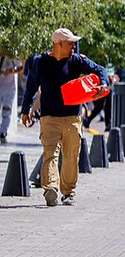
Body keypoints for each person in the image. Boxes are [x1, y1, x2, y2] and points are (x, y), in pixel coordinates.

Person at [20, 28, 109, 207]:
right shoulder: (40, 62)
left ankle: (68, 192)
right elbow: (30, 87)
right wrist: (25, 110)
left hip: (72, 117)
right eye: (70, 43)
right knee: (50, 154)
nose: (74, 47)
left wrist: (103, 83)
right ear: (58, 44)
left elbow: (99, 69)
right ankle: (51, 188)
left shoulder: (76, 60)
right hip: (49, 117)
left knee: (70, 157)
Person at [0, 54, 23, 144]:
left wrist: (10, 72)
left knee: (6, 110)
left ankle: (3, 133)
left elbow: (20, 68)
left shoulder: (12, 55)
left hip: (9, 88)